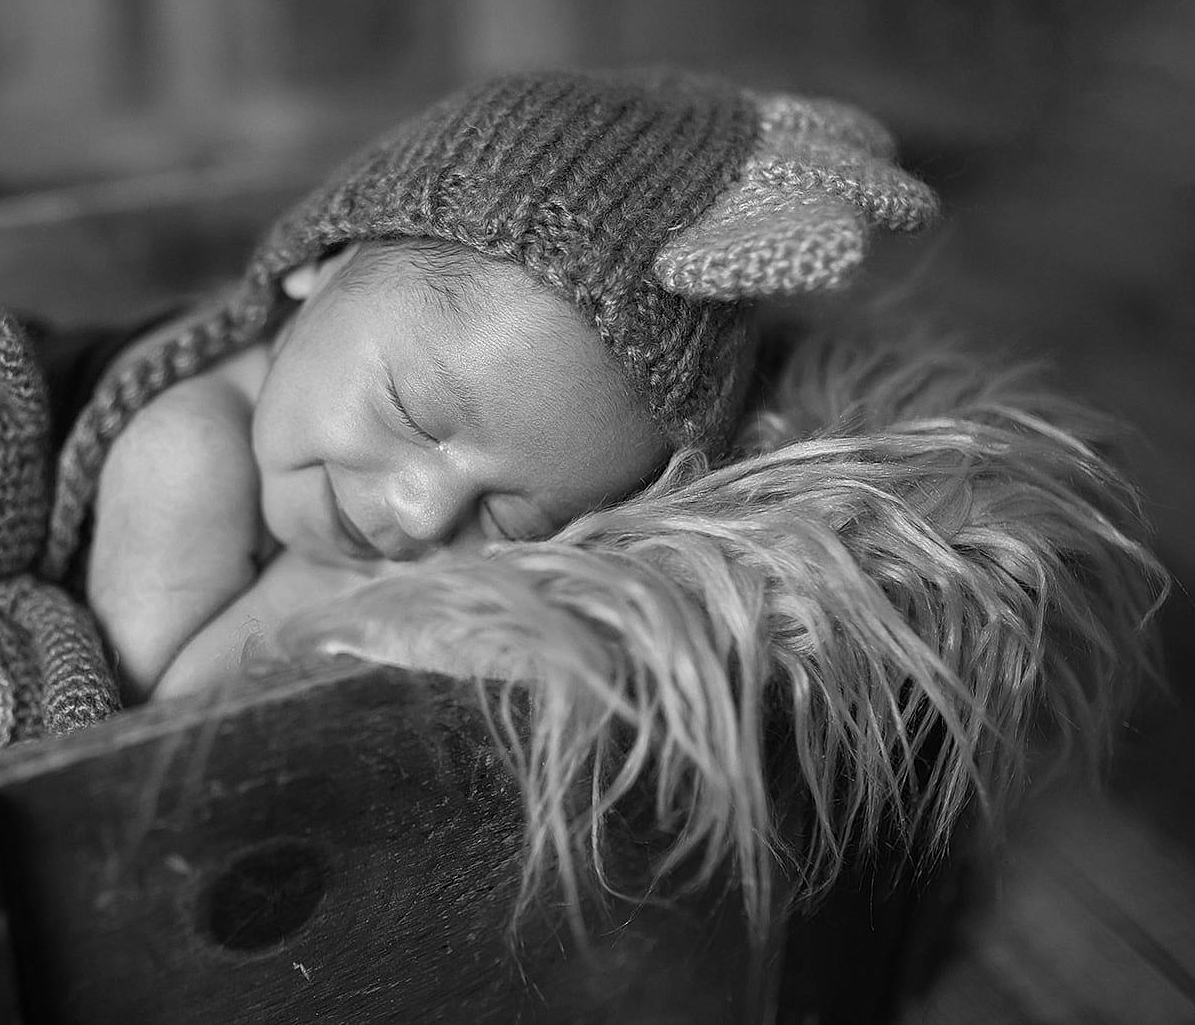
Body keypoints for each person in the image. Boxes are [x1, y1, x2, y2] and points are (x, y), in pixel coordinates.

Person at [62, 67, 939, 700]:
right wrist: (340, 597)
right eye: (411, 411)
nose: (421, 515)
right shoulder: (186, 453)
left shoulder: (350, 431)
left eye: (511, 518)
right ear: (317, 265)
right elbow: (138, 736)